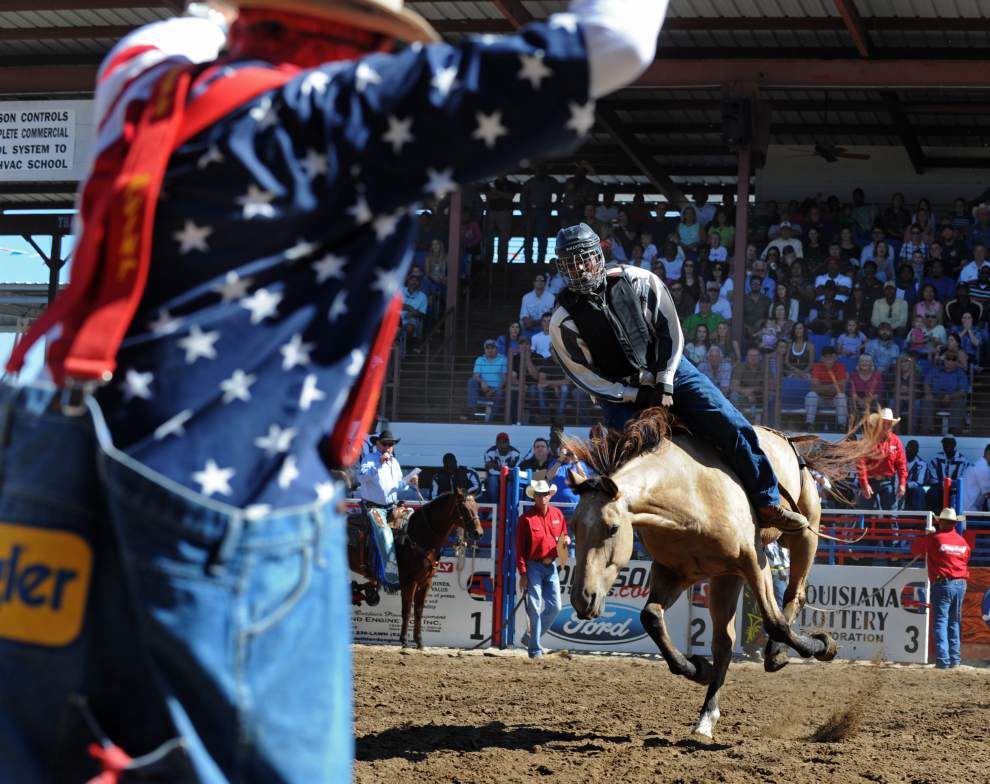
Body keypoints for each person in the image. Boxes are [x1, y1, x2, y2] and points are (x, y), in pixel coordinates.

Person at [0, 2, 678, 780]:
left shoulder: (144, 68)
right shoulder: (358, 105)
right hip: (222, 486)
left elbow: (200, 22)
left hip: (44, 450)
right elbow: (616, 39)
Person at [547, 223, 807, 530]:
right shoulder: (562, 321)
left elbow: (671, 331)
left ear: (598, 255)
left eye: (584, 257)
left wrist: (665, 380)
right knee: (630, 458)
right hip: (621, 394)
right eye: (569, 262)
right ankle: (629, 531)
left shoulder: (640, 280)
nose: (579, 267)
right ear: (561, 267)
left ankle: (768, 503)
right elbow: (585, 377)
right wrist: (635, 396)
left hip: (671, 369)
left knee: (730, 421)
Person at [910, 508, 971, 669]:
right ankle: (955, 660)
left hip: (943, 583)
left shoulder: (934, 539)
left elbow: (915, 549)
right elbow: (966, 557)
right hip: (961, 583)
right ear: (955, 523)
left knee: (941, 621)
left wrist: (928, 535)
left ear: (941, 522)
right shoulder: (962, 542)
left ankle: (943, 660)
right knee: (954, 621)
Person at [516, 479, 570, 659]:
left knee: (555, 607)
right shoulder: (526, 519)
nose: (543, 497)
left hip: (551, 565)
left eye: (545, 494)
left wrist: (567, 540)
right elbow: (520, 549)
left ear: (549, 495)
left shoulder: (558, 515)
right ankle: (535, 649)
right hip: (533, 566)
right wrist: (523, 573)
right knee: (534, 605)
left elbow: (564, 536)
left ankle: (530, 638)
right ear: (535, 497)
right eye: (539, 495)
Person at [359, 428, 419, 518]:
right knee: (384, 533)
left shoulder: (394, 462)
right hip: (373, 508)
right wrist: (379, 464)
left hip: (392, 508)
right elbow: (362, 478)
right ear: (377, 444)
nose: (387, 447)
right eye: (384, 444)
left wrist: (408, 480)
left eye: (390, 444)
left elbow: (397, 486)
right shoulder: (369, 459)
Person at [855, 408, 907, 510]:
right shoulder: (868, 440)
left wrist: (902, 483)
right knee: (865, 513)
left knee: (891, 515)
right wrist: (864, 484)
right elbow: (861, 463)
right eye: (884, 423)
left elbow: (901, 464)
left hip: (889, 482)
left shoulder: (896, 441)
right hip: (870, 481)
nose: (886, 426)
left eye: (888, 423)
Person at [921, 352, 969, 434]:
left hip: (953, 397)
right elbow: (927, 383)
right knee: (927, 400)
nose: (949, 361)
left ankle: (954, 429)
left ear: (956, 362)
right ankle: (927, 429)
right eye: (948, 359)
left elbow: (963, 390)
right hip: (936, 396)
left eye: (952, 359)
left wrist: (950, 397)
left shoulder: (960, 373)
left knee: (959, 401)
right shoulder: (935, 370)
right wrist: (928, 393)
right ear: (944, 360)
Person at [805, 346, 849, 430]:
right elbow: (814, 388)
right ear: (822, 358)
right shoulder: (817, 367)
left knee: (842, 396)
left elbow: (842, 388)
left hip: (834, 399)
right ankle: (809, 424)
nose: (829, 359)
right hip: (820, 399)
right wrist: (834, 386)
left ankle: (841, 426)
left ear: (835, 357)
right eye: (826, 357)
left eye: (831, 356)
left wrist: (822, 387)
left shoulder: (840, 367)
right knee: (811, 395)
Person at [925, 436, 971, 513]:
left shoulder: (963, 460)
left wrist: (951, 485)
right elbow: (932, 477)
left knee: (957, 495)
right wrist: (942, 485)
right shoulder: (936, 458)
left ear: (954, 445)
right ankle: (935, 519)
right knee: (931, 492)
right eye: (945, 444)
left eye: (950, 444)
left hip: (956, 488)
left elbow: (964, 477)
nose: (947, 447)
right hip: (939, 487)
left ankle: (954, 519)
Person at [468, 339, 508, 418]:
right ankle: (471, 410)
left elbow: (504, 380)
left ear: (497, 349)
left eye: (492, 348)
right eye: (487, 348)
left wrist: (494, 390)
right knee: (472, 381)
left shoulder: (503, 359)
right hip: (483, 388)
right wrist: (482, 382)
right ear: (485, 349)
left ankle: (492, 419)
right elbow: (475, 376)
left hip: (497, 389)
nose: (490, 350)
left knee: (500, 393)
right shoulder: (480, 359)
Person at [483, 432, 521, 502]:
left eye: (504, 442)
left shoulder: (516, 453)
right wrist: (504, 470)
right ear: (496, 443)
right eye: (499, 442)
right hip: (494, 477)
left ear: (509, 443)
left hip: (509, 477)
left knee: (514, 482)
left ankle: (511, 505)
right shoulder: (489, 452)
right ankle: (493, 507)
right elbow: (491, 471)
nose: (502, 444)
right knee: (493, 480)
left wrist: (497, 467)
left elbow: (515, 470)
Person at [962, 443, 990, 512]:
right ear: (988, 453)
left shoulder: (980, 464)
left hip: (967, 507)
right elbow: (988, 494)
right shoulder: (982, 468)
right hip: (970, 510)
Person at [903, 439, 928, 512]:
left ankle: (920, 518)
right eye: (910, 448)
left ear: (917, 451)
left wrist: (905, 485)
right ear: (906, 449)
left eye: (914, 449)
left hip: (912, 488)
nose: (911, 451)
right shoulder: (899, 460)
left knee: (919, 491)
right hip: (899, 487)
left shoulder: (921, 463)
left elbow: (920, 482)